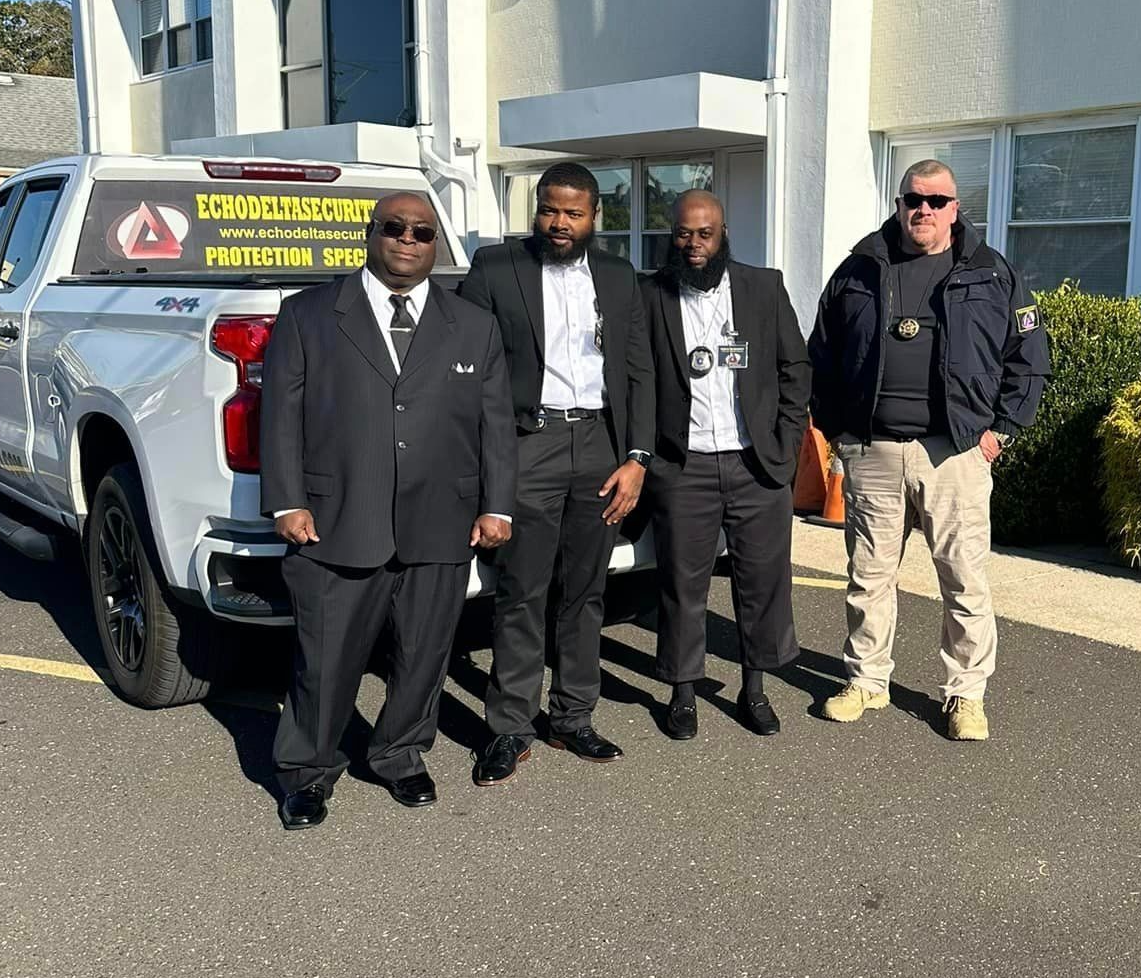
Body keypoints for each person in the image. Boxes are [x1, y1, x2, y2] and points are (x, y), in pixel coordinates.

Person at [260, 192, 516, 830]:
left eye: (422, 232)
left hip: (443, 520)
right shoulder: (309, 314)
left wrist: (497, 507)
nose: (408, 239)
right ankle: (307, 772)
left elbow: (495, 426)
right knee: (325, 659)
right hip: (336, 517)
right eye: (395, 228)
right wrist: (286, 501)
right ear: (370, 234)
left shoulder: (474, 325)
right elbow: (281, 416)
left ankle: (399, 755)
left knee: (424, 655)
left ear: (437, 244)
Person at [807, 158, 1049, 742]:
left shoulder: (993, 274)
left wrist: (999, 433)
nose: (924, 209)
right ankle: (867, 680)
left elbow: (1028, 360)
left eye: (937, 201)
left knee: (964, 579)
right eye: (914, 198)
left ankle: (965, 695)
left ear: (955, 209)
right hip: (874, 450)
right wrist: (837, 431)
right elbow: (821, 357)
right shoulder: (859, 269)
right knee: (868, 575)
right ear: (899, 202)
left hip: (956, 453)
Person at [457, 162, 655, 781]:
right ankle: (510, 727)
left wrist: (637, 459)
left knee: (586, 592)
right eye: (549, 209)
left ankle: (573, 718)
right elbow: (467, 363)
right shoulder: (496, 269)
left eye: (573, 212)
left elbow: (640, 372)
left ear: (596, 217)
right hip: (528, 444)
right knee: (521, 592)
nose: (559, 222)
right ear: (536, 210)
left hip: (599, 446)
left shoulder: (621, 278)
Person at [639, 190, 810, 739]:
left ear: (724, 233)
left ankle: (753, 688)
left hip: (755, 464)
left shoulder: (763, 286)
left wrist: (784, 444)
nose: (693, 245)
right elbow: (635, 378)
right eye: (684, 233)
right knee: (681, 586)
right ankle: (683, 693)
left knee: (762, 582)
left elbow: (794, 367)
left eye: (704, 233)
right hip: (682, 466)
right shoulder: (651, 294)